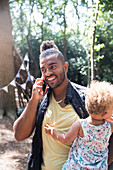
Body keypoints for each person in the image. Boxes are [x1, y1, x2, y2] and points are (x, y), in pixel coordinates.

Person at [13, 40, 113, 170]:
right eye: (43, 69)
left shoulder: (87, 99)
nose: (48, 73)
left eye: (53, 66)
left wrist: (100, 164)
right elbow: (19, 135)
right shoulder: (40, 100)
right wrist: (34, 99)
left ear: (65, 67)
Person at [44, 81, 113, 170]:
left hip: (77, 167)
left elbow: (66, 139)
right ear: (105, 114)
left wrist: (52, 132)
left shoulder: (81, 125)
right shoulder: (109, 126)